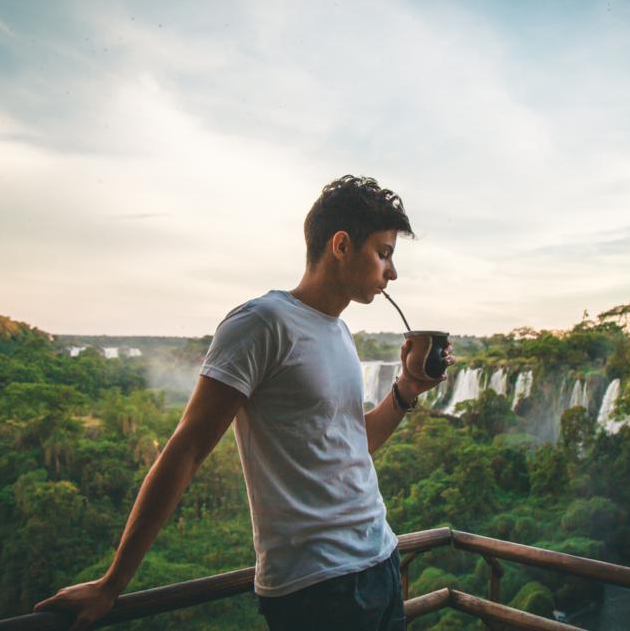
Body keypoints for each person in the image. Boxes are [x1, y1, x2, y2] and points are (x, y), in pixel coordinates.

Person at [34, 175, 454, 631]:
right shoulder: (261, 324)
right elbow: (187, 450)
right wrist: (113, 583)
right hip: (317, 587)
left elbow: (353, 445)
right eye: (384, 253)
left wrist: (407, 389)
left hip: (381, 562)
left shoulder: (339, 332)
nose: (391, 273)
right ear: (340, 245)